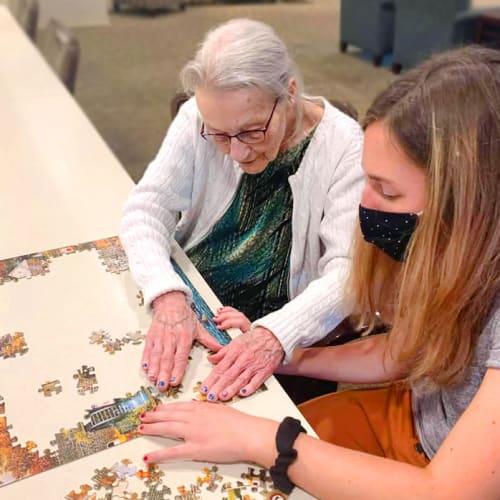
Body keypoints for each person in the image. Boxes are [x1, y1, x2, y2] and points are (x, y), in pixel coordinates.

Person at [137, 45, 500, 498]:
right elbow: (412, 350)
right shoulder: (464, 253)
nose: (364, 204)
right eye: (366, 180)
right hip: (409, 414)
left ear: (471, 203)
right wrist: (290, 356)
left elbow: (446, 491)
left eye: (386, 192)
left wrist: (259, 439)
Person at [120, 18, 364, 401]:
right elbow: (145, 209)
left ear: (290, 94)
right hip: (192, 299)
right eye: (218, 135)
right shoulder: (198, 116)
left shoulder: (346, 146)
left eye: (253, 131)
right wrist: (168, 296)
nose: (237, 152)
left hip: (284, 331)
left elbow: (349, 272)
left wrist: (272, 334)